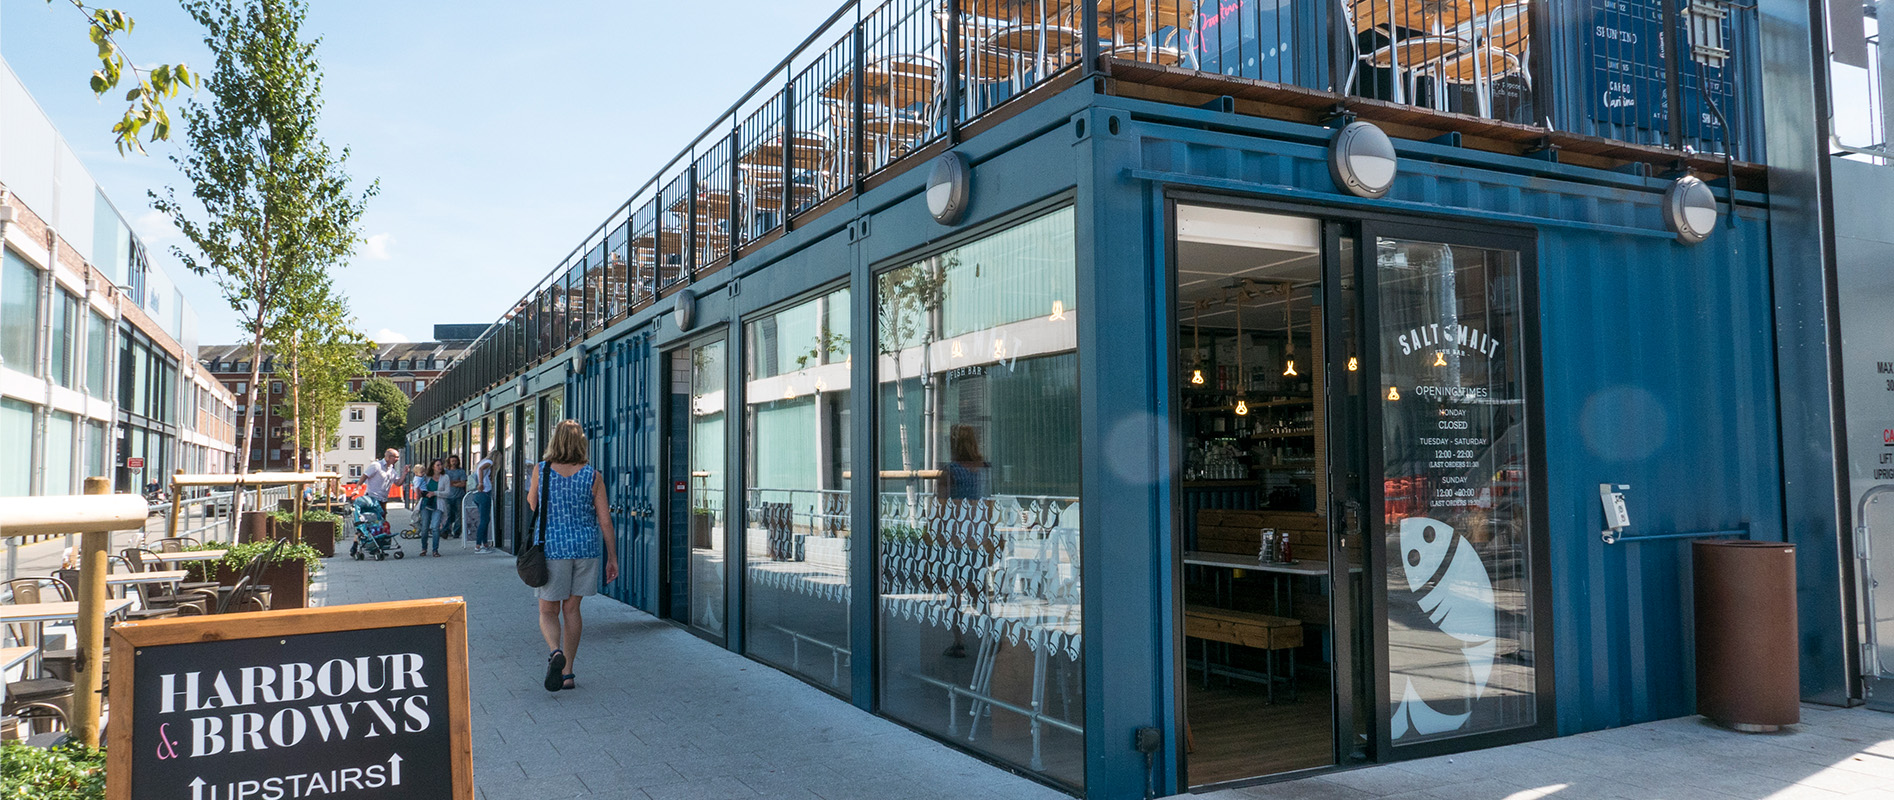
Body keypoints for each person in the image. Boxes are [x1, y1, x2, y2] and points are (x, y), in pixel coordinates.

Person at [528, 419, 619, 692]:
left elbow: (533, 504)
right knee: (572, 609)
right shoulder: (593, 475)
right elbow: (605, 520)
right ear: (582, 442)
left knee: (547, 609)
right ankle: (568, 674)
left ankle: (555, 652)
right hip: (585, 548)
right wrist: (612, 557)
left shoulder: (541, 471)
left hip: (552, 548)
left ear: (554, 440)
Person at [360, 449, 401, 513]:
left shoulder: (392, 470)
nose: (397, 459)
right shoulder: (376, 465)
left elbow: (398, 483)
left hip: (383, 499)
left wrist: (405, 473)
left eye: (398, 457)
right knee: (374, 519)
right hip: (372, 498)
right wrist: (357, 488)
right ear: (389, 457)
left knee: (382, 518)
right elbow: (365, 476)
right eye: (396, 457)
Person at [470, 450, 495, 553]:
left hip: (477, 494)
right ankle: (478, 545)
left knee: (484, 519)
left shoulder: (482, 461)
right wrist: (481, 483)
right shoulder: (490, 462)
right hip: (484, 492)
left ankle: (484, 543)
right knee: (484, 520)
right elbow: (481, 469)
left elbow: (479, 469)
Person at [421, 459, 445, 557]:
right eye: (438, 465)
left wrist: (435, 493)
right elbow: (419, 487)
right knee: (424, 527)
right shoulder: (426, 478)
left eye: (441, 465)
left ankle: (435, 550)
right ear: (433, 467)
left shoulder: (445, 477)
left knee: (435, 527)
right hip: (426, 504)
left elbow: (448, 492)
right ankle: (424, 548)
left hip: (438, 504)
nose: (440, 467)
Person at [442, 456, 468, 539]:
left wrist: (452, 483)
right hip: (447, 496)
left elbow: (463, 483)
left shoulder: (461, 471)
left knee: (458, 515)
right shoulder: (445, 472)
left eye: (455, 461)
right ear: (449, 462)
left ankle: (457, 532)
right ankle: (446, 531)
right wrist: (457, 482)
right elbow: (444, 483)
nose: (454, 462)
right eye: (452, 461)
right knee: (447, 514)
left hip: (458, 496)